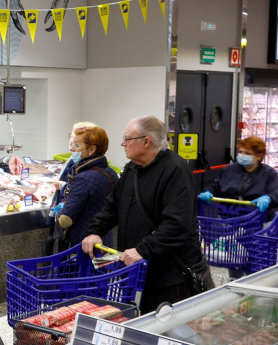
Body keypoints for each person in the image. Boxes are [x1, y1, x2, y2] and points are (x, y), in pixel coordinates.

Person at [81, 116, 213, 314]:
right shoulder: (132, 169)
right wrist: (95, 230)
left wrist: (142, 250)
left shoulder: (175, 170)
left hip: (170, 276)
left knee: (170, 336)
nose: (122, 143)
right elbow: (113, 206)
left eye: (127, 138)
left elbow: (177, 225)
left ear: (147, 141)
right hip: (137, 271)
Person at [52, 125, 117, 249]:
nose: (72, 149)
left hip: (83, 246)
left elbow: (65, 220)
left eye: (77, 145)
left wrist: (59, 209)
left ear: (91, 149)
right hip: (104, 242)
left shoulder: (82, 178)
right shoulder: (110, 173)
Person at [199, 136, 278, 213]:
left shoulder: (269, 174)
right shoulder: (229, 170)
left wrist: (268, 198)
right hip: (228, 216)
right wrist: (208, 192)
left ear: (259, 156)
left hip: (258, 219)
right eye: (240, 152)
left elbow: (275, 195)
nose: (243, 156)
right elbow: (215, 186)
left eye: (248, 153)